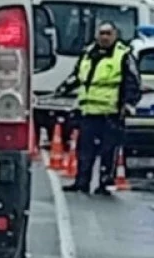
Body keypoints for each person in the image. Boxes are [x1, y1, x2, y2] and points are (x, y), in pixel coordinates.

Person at [55, 21, 141, 195]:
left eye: (108, 33)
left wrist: (128, 103)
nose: (104, 37)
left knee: (108, 151)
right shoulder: (88, 53)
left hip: (111, 113)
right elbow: (77, 76)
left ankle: (104, 183)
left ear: (115, 35)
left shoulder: (123, 55)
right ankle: (81, 182)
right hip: (89, 112)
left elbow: (133, 82)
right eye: (101, 33)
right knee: (84, 150)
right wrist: (62, 89)